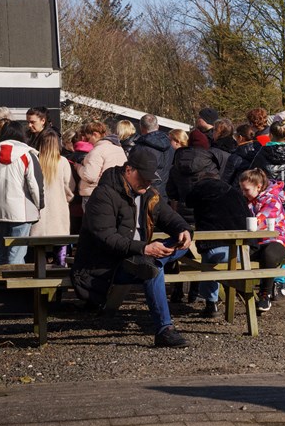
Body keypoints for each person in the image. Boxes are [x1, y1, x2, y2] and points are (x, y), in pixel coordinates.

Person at [70, 149, 193, 348]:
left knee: (179, 245)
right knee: (152, 271)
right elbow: (106, 238)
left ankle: (154, 262)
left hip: (140, 256)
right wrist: (144, 248)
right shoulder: (104, 195)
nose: (148, 183)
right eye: (144, 178)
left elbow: (169, 217)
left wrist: (184, 230)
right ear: (129, 170)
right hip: (107, 264)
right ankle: (165, 330)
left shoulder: (148, 193)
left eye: (151, 179)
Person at [249, 118, 285, 291]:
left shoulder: (261, 154)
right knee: (284, 241)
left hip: (268, 206)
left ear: (270, 134)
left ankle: (268, 278)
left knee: (266, 239)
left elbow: (253, 178)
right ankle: (280, 279)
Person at [186, 171, 250, 318]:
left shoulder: (199, 190)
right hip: (243, 252)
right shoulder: (234, 192)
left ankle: (211, 303)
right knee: (213, 255)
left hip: (217, 252)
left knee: (208, 258)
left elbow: (188, 201)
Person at [0, 120, 44, 265]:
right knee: (17, 252)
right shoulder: (27, 155)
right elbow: (34, 185)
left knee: (2, 249)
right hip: (22, 212)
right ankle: (15, 286)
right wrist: (39, 206)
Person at [238, 169, 285, 312]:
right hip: (255, 241)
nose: (244, 193)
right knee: (232, 256)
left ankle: (264, 294)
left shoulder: (272, 200)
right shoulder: (247, 200)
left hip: (277, 239)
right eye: (242, 190)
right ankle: (241, 291)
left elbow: (260, 220)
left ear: (259, 186)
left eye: (246, 190)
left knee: (269, 255)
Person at [30, 130, 75, 264]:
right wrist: (67, 199)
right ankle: (60, 276)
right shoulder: (63, 162)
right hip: (58, 210)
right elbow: (70, 186)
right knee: (60, 247)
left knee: (38, 252)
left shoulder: (34, 160)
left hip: (37, 213)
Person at [78, 120, 127, 210]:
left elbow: (90, 176)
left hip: (95, 195)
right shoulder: (119, 148)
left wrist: (79, 168)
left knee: (94, 223)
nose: (89, 142)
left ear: (95, 134)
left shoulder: (97, 151)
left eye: (88, 138)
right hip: (118, 193)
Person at [129, 114, 174, 196]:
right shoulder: (170, 147)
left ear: (141, 127)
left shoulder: (141, 147)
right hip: (163, 192)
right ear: (158, 126)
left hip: (144, 191)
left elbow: (131, 170)